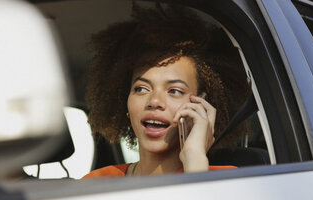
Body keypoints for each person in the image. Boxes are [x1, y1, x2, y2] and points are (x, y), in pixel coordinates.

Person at [83, 4, 249, 178]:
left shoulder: (230, 181)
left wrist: (195, 163)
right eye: (141, 89)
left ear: (201, 105)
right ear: (125, 101)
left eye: (175, 91)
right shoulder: (97, 181)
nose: (154, 101)